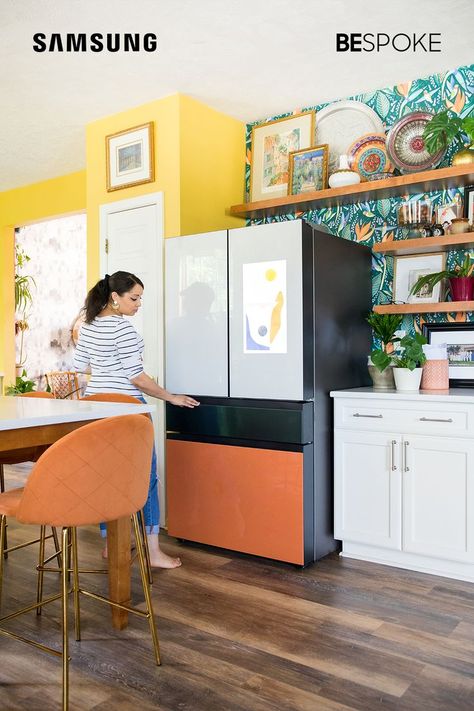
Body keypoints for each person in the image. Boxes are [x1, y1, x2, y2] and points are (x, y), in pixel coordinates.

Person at [73, 271, 199, 568]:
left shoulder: (87, 326)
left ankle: (110, 544)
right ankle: (153, 553)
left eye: (140, 297)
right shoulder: (123, 329)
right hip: (127, 409)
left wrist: (105, 373)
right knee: (145, 478)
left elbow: (80, 366)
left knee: (108, 477)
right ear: (114, 297)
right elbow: (136, 378)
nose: (139, 303)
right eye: (134, 297)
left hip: (96, 408)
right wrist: (171, 396)